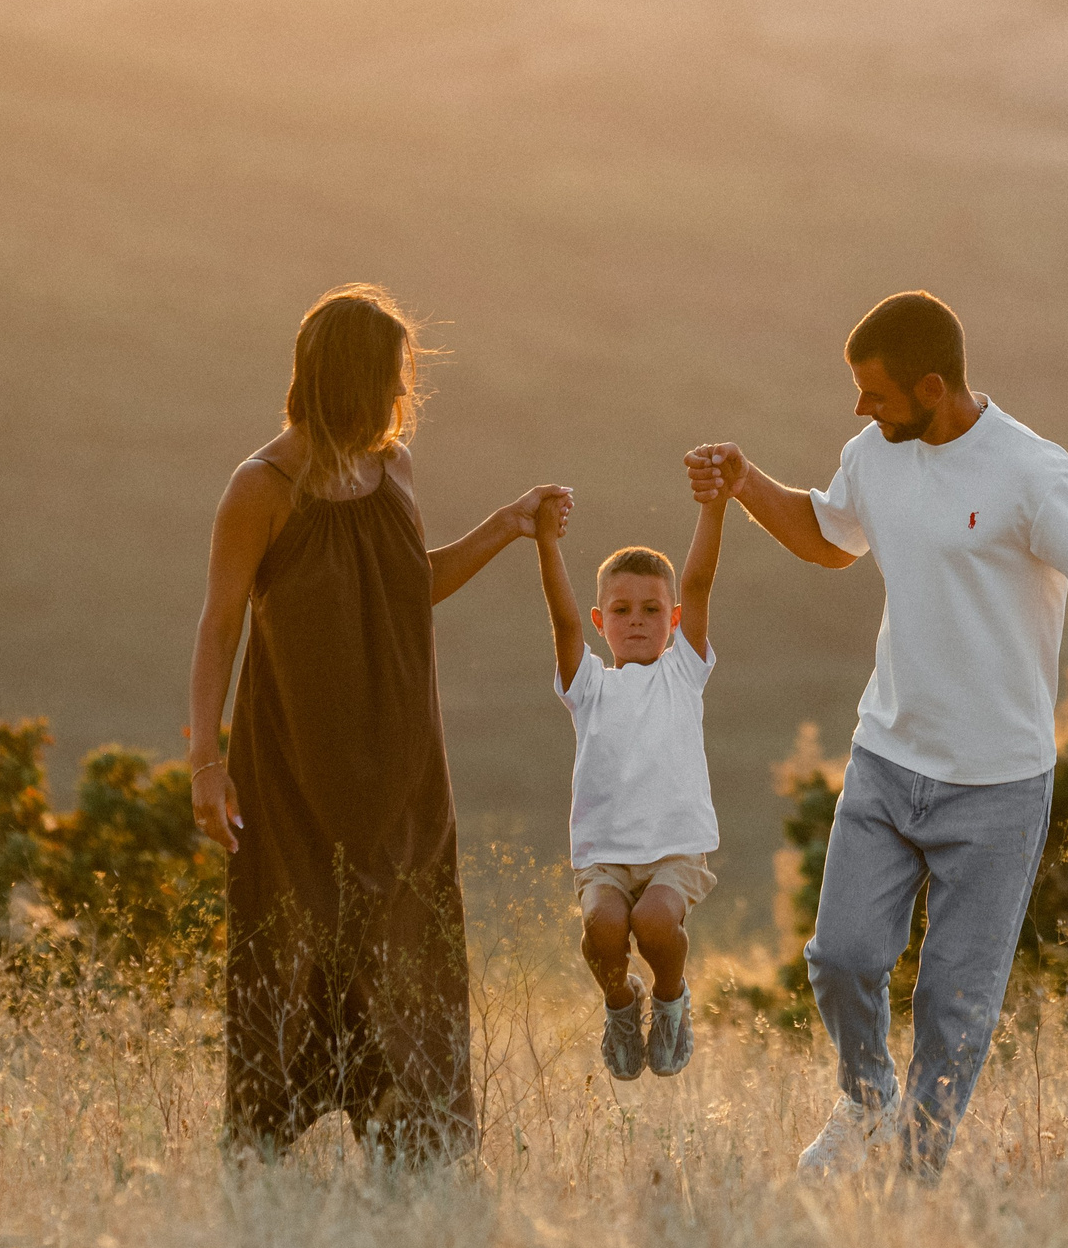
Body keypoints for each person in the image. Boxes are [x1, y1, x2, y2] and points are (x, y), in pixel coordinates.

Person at [685, 290, 1068, 1179]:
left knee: (955, 1003)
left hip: (999, 786)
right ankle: (865, 1104)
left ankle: (917, 1179)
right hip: (887, 757)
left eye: (877, 394)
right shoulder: (876, 453)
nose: (861, 410)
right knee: (842, 957)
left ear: (933, 386)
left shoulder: (1032, 473)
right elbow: (828, 539)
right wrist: (746, 482)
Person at [186, 283, 572, 1162]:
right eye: (395, 378)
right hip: (293, 769)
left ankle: (415, 1142)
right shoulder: (261, 486)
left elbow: (408, 585)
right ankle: (265, 1146)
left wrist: (507, 526)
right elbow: (217, 627)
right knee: (291, 946)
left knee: (408, 957)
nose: (405, 396)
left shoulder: (393, 466)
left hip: (402, 765)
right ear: (348, 380)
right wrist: (207, 763)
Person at [533, 484, 729, 1081]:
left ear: (672, 621)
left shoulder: (683, 671)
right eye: (620, 611)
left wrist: (713, 505)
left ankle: (670, 1000)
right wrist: (545, 540)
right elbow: (564, 622)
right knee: (603, 927)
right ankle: (621, 1005)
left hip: (674, 850)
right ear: (602, 621)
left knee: (653, 922)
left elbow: (696, 583)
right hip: (604, 858)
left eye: (651, 611)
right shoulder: (589, 686)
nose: (637, 622)